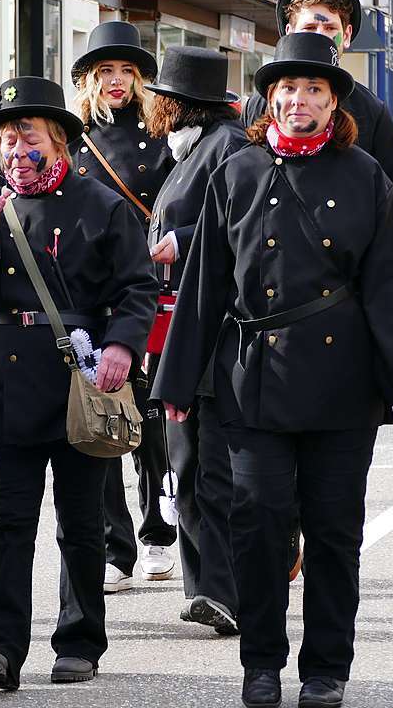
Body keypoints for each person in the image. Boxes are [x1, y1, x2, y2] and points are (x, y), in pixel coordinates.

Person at [154, 33, 393, 708]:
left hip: (343, 385)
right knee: (256, 526)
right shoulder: (238, 171)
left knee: (334, 531)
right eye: (288, 89)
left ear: (333, 102)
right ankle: (261, 664)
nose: (300, 100)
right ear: (270, 98)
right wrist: (176, 381)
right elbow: (205, 285)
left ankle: (326, 671)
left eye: (315, 89)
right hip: (252, 381)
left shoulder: (365, 176)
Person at [0, 76, 157, 690]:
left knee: (80, 520)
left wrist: (121, 344)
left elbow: (137, 287)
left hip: (81, 379)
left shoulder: (100, 203)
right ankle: (1, 646)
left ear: (58, 141)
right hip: (6, 378)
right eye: (6, 137)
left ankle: (80, 639)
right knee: (11, 519)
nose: (13, 148)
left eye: (25, 135)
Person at [68, 20, 177, 591]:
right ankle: (117, 543)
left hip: (147, 282)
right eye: (104, 71)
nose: (115, 81)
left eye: (126, 72)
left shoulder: (160, 133)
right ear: (87, 78)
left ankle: (158, 523)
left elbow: (183, 199)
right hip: (90, 290)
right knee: (100, 412)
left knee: (150, 414)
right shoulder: (75, 136)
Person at [145, 46, 247, 634]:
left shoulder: (227, 146)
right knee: (184, 464)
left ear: (179, 104)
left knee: (210, 468)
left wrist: (180, 240)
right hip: (177, 328)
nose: (153, 106)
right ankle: (203, 585)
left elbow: (240, 221)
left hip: (213, 329)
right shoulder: (189, 150)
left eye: (161, 97)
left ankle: (221, 587)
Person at [242, 0, 393, 207]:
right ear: (289, 33)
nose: (319, 37)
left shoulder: (371, 111)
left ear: (347, 35)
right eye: (309, 28)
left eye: (330, 28)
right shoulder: (261, 103)